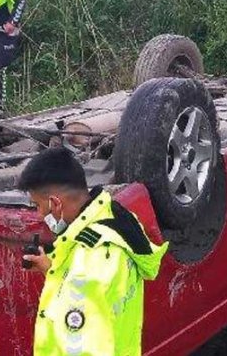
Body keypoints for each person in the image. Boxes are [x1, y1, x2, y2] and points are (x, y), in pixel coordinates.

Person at [19, 147, 169, 356]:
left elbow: (81, 347)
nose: (38, 213)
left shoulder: (91, 258)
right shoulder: (112, 216)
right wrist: (51, 269)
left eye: (37, 205)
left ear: (55, 203)